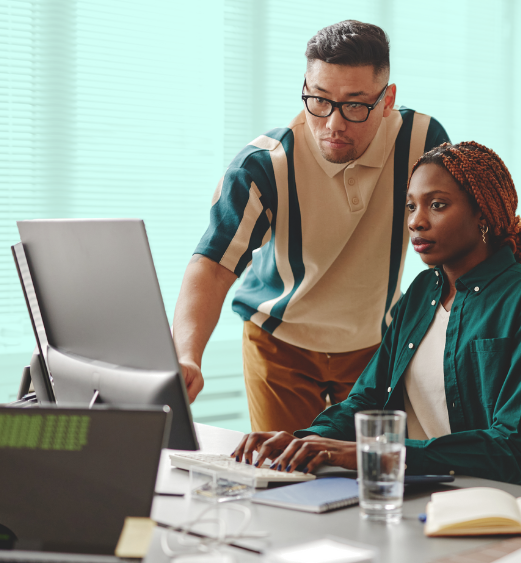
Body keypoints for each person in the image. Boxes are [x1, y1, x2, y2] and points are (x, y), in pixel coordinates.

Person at [232, 141, 521, 494]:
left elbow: (513, 450)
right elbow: (368, 399)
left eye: (437, 205)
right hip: (426, 492)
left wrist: (377, 454)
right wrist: (306, 441)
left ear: (482, 213)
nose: (415, 221)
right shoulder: (424, 290)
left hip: (512, 501)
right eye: (411, 206)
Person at [172, 20, 450, 433]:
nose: (333, 124)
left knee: (366, 476)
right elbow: (212, 265)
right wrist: (186, 355)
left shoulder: (421, 140)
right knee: (286, 477)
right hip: (280, 345)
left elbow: (456, 238)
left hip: (374, 346)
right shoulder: (265, 164)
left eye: (355, 105)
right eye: (318, 100)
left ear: (387, 98)